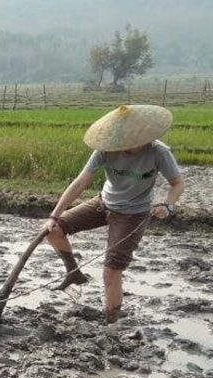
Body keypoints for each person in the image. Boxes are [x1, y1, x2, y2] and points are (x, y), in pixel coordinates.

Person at [44, 104, 186, 324]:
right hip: (103, 203)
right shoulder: (105, 149)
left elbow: (177, 184)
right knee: (54, 231)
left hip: (133, 215)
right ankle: (73, 272)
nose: (129, 146)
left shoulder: (158, 151)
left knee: (111, 272)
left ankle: (111, 325)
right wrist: (54, 215)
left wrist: (168, 205)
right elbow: (81, 181)